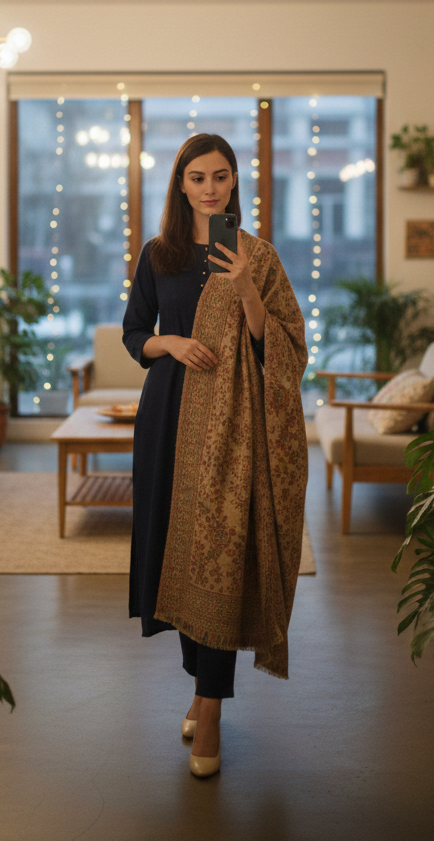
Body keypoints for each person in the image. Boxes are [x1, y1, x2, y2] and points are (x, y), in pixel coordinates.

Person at [123, 132, 308, 778]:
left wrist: (249, 290)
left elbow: (285, 345)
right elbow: (133, 334)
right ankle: (198, 688)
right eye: (198, 177)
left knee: (221, 559)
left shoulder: (257, 256)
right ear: (181, 184)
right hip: (168, 419)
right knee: (176, 558)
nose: (210, 187)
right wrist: (170, 345)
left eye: (221, 177)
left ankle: (212, 709)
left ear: (235, 183)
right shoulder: (159, 254)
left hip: (233, 430)